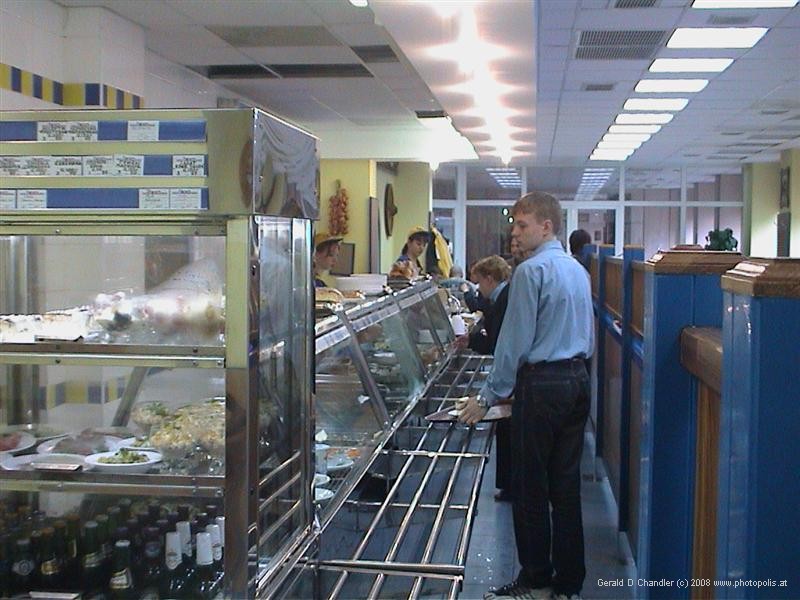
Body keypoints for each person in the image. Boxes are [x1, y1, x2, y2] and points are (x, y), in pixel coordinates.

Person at [459, 191, 594, 600]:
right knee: (565, 488)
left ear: (546, 226)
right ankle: (569, 582)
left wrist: (484, 399)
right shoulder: (576, 270)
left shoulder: (531, 272)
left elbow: (513, 344)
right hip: (578, 380)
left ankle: (536, 577)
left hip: (544, 384)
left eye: (522, 225)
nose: (515, 233)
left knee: (530, 486)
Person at [454, 255, 513, 502]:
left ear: (490, 278)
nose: (478, 289)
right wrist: (471, 341)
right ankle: (510, 485)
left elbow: (500, 344)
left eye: (480, 283)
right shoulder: (502, 298)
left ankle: (511, 486)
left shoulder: (504, 300)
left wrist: (489, 395)